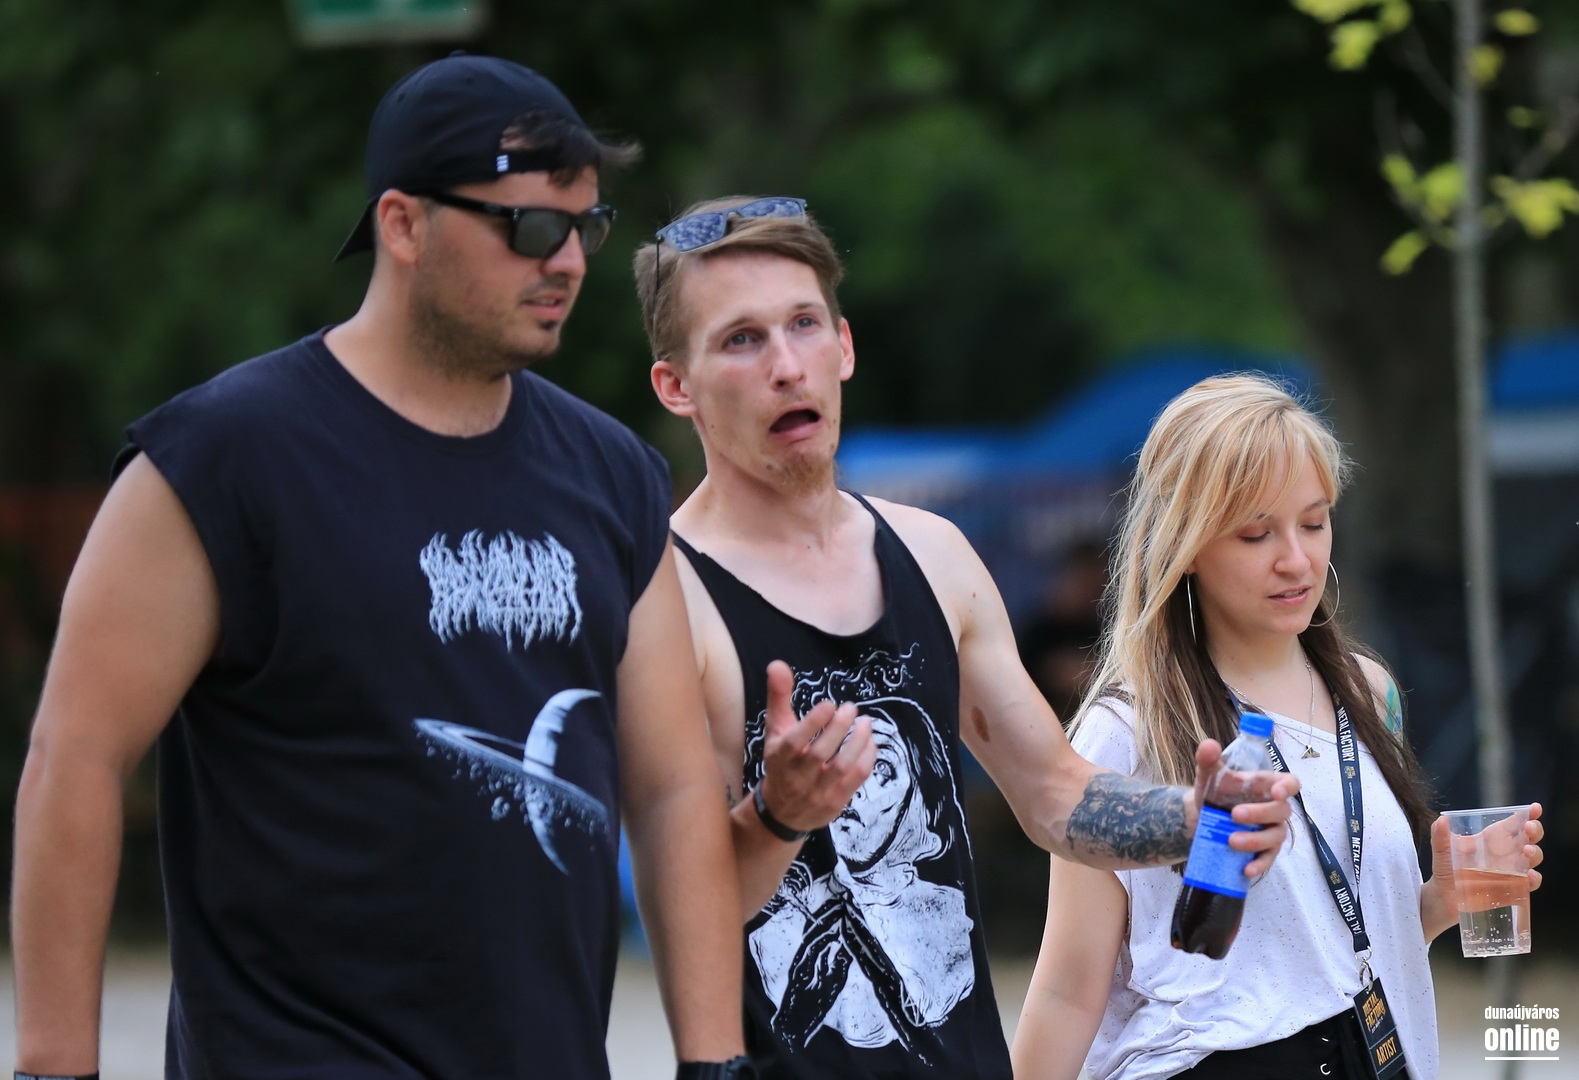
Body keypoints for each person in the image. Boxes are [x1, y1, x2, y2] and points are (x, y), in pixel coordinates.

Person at [12, 55, 757, 1080]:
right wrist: (54, 1067)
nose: (566, 263)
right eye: (528, 228)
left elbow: (670, 789)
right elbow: (76, 759)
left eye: (584, 228)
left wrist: (716, 1065)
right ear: (403, 225)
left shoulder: (609, 474)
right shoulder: (224, 461)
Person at [630, 197, 1301, 1080]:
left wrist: (1190, 818)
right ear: (675, 386)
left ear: (844, 346)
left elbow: (1052, 791)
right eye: (741, 340)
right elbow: (677, 914)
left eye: (802, 325)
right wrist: (778, 815)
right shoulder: (659, 601)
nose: (787, 367)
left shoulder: (934, 554)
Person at [1012, 374, 1547, 1080]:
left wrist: (1436, 903)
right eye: (1255, 533)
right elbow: (1065, 989)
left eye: (1314, 522)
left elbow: (1326, 954)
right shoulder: (1127, 731)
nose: (1295, 559)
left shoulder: (1368, 692)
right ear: (1185, 545)